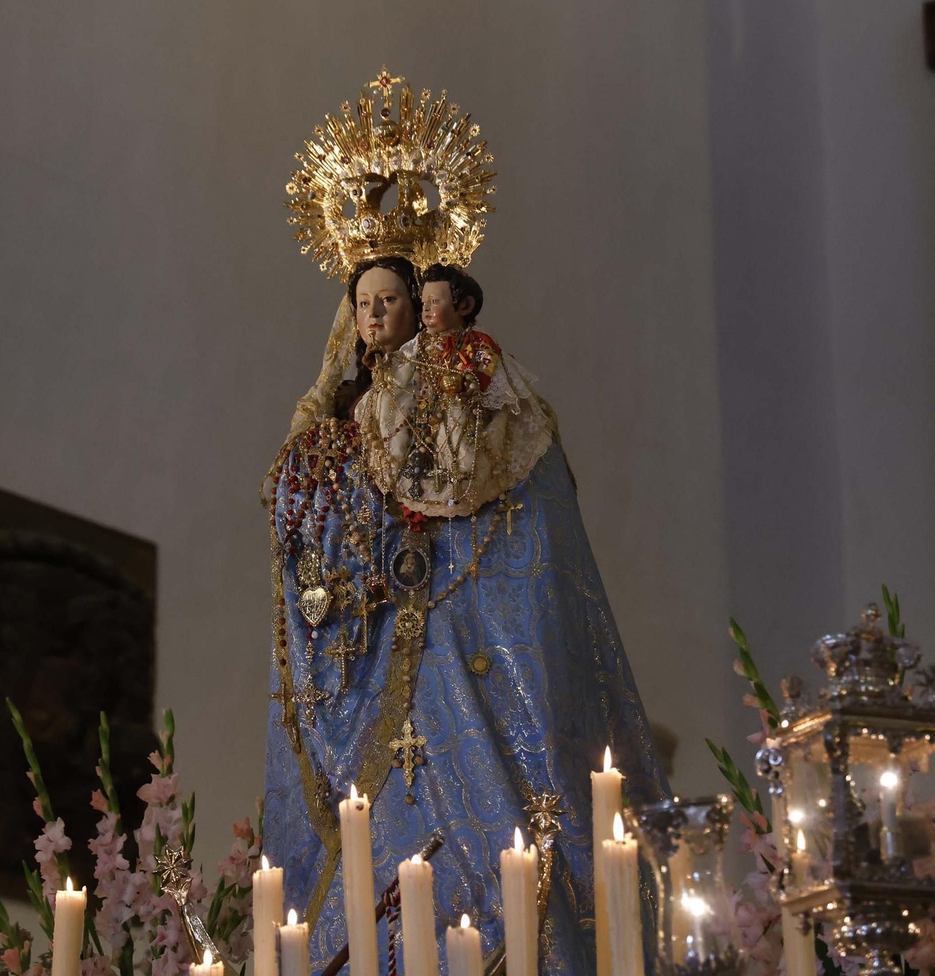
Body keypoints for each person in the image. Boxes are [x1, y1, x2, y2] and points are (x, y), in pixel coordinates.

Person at [263, 71, 667, 975]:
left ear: (428, 302)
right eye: (361, 302)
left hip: (474, 637)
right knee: (385, 824)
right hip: (374, 659)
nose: (377, 315)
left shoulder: (479, 387)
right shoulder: (333, 431)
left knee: (499, 806)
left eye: (395, 300)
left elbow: (521, 516)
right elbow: (306, 536)